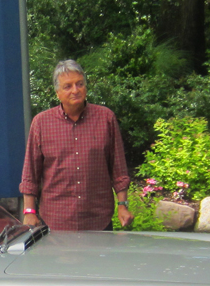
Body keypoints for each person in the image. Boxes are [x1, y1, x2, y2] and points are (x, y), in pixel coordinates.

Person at [20, 60, 134, 231]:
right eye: (68, 86)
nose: (75, 90)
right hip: (56, 222)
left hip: (98, 220)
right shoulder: (41, 123)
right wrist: (29, 211)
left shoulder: (106, 119)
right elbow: (31, 173)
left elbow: (119, 169)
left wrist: (123, 205)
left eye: (79, 84)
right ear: (57, 92)